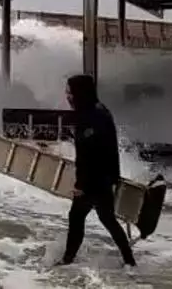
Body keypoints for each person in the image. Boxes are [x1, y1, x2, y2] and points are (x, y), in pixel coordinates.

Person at [59, 74, 136, 267]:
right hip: (104, 178)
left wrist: (81, 185)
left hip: (95, 179)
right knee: (106, 218)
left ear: (79, 93)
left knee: (77, 216)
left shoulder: (90, 117)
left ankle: (67, 260)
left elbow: (89, 154)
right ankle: (129, 261)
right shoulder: (99, 111)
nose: (67, 96)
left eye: (70, 92)